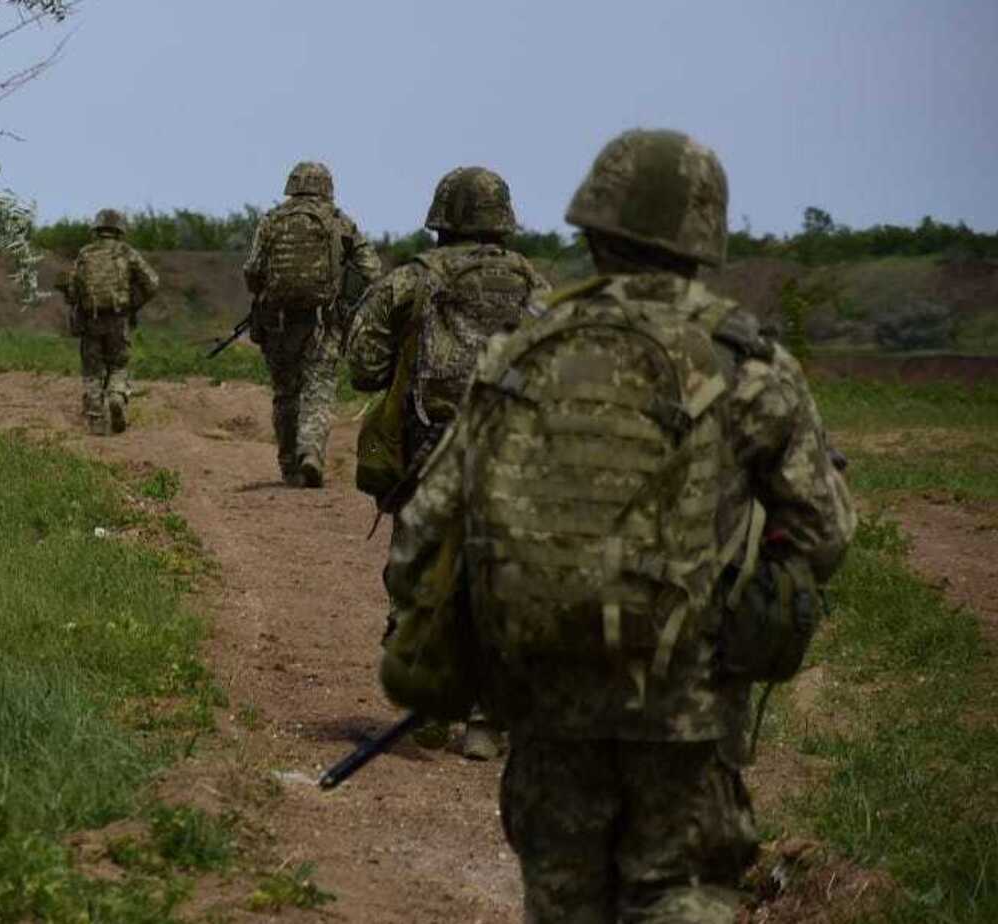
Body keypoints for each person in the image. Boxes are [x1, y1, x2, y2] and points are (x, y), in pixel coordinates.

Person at [382, 129, 855, 922]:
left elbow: (423, 535)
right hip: (690, 708)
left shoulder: (523, 353)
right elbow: (824, 535)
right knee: (680, 895)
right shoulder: (749, 364)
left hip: (545, 702)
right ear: (703, 238)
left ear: (591, 228)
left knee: (564, 904)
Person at [345, 166, 551, 761]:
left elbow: (363, 365)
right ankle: (486, 721)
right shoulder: (537, 286)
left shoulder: (410, 280)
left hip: (429, 449)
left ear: (441, 217)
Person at [242, 161, 382, 485]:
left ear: (291, 184)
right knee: (318, 389)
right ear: (327, 187)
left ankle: (290, 464)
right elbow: (373, 271)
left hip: (277, 323)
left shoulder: (271, 220)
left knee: (285, 393)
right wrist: (349, 299)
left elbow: (251, 271)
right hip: (323, 322)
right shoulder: (339, 222)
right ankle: (311, 453)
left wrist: (267, 292)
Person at [59, 208, 160, 435]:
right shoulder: (126, 252)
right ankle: (116, 397)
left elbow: (72, 290)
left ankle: (95, 420)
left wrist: (78, 302)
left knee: (93, 370)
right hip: (119, 319)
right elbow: (153, 282)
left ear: (96, 228)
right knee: (118, 365)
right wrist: (134, 303)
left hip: (91, 320)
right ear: (119, 229)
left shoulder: (84, 254)